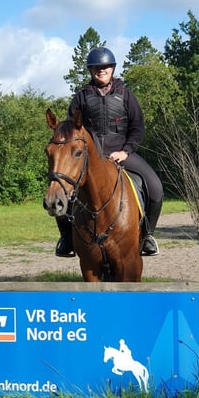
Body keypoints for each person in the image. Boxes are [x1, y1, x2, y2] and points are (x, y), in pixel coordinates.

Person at [55, 46, 163, 257]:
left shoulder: (126, 95)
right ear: (91, 71)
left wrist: (126, 151)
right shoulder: (81, 98)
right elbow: (70, 131)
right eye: (96, 68)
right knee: (61, 187)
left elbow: (138, 128)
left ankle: (147, 236)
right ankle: (67, 239)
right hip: (90, 159)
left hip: (122, 154)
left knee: (156, 188)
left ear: (112, 68)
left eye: (105, 67)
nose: (101, 70)